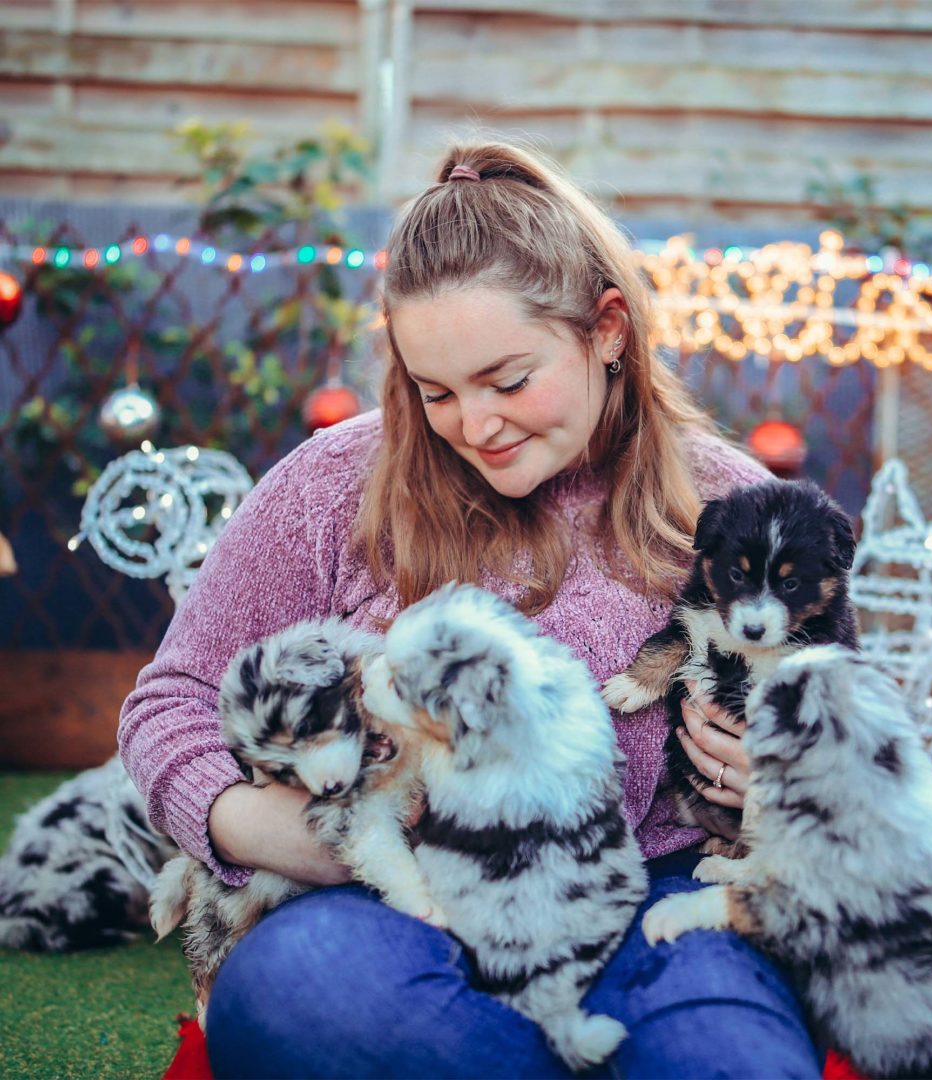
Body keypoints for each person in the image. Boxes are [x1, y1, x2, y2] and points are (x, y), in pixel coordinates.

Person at [119, 140, 821, 1079]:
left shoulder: (728, 510)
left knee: (731, 1060)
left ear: (607, 329)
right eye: (435, 390)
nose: (475, 426)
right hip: (407, 914)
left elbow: (852, 734)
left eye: (508, 379)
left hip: (655, 906)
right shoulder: (333, 485)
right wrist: (280, 835)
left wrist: (775, 785)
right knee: (292, 990)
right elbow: (171, 702)